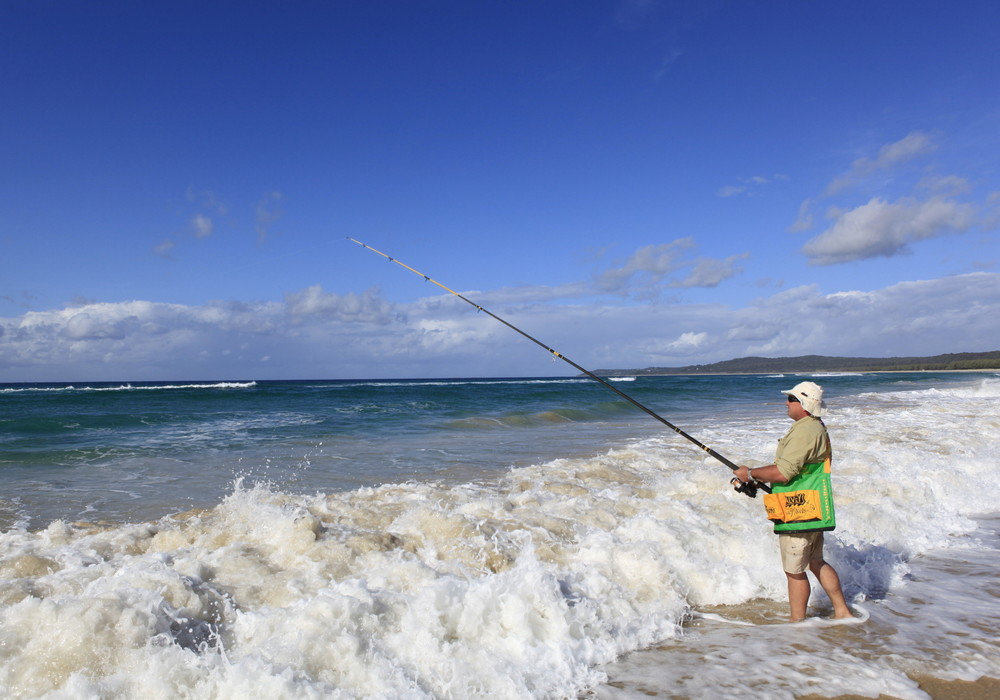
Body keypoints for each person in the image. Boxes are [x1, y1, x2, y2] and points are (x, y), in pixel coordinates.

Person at [734, 381, 852, 622]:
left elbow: (784, 473)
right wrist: (756, 478)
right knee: (816, 562)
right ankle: (842, 611)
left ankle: (797, 623)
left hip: (799, 511)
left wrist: (751, 473)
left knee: (794, 571)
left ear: (804, 404)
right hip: (813, 506)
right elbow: (797, 471)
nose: (786, 403)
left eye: (791, 399)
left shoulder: (805, 430)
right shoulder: (814, 427)